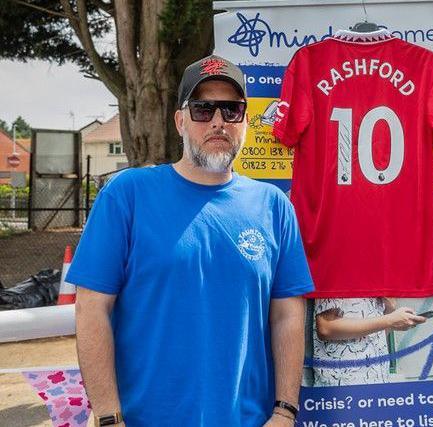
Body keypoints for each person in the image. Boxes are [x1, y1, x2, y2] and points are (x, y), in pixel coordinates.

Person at [69, 55, 314, 426]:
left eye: (231, 109)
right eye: (202, 108)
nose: (218, 121)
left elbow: (288, 315)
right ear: (180, 120)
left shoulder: (274, 206)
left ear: (245, 121)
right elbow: (91, 309)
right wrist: (107, 417)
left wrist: (284, 411)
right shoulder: (127, 195)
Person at [312, 297, 425, 386]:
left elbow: (372, 341)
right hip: (343, 389)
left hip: (378, 383)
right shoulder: (339, 272)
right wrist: (389, 320)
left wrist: (390, 312)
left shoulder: (376, 284)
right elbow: (326, 328)